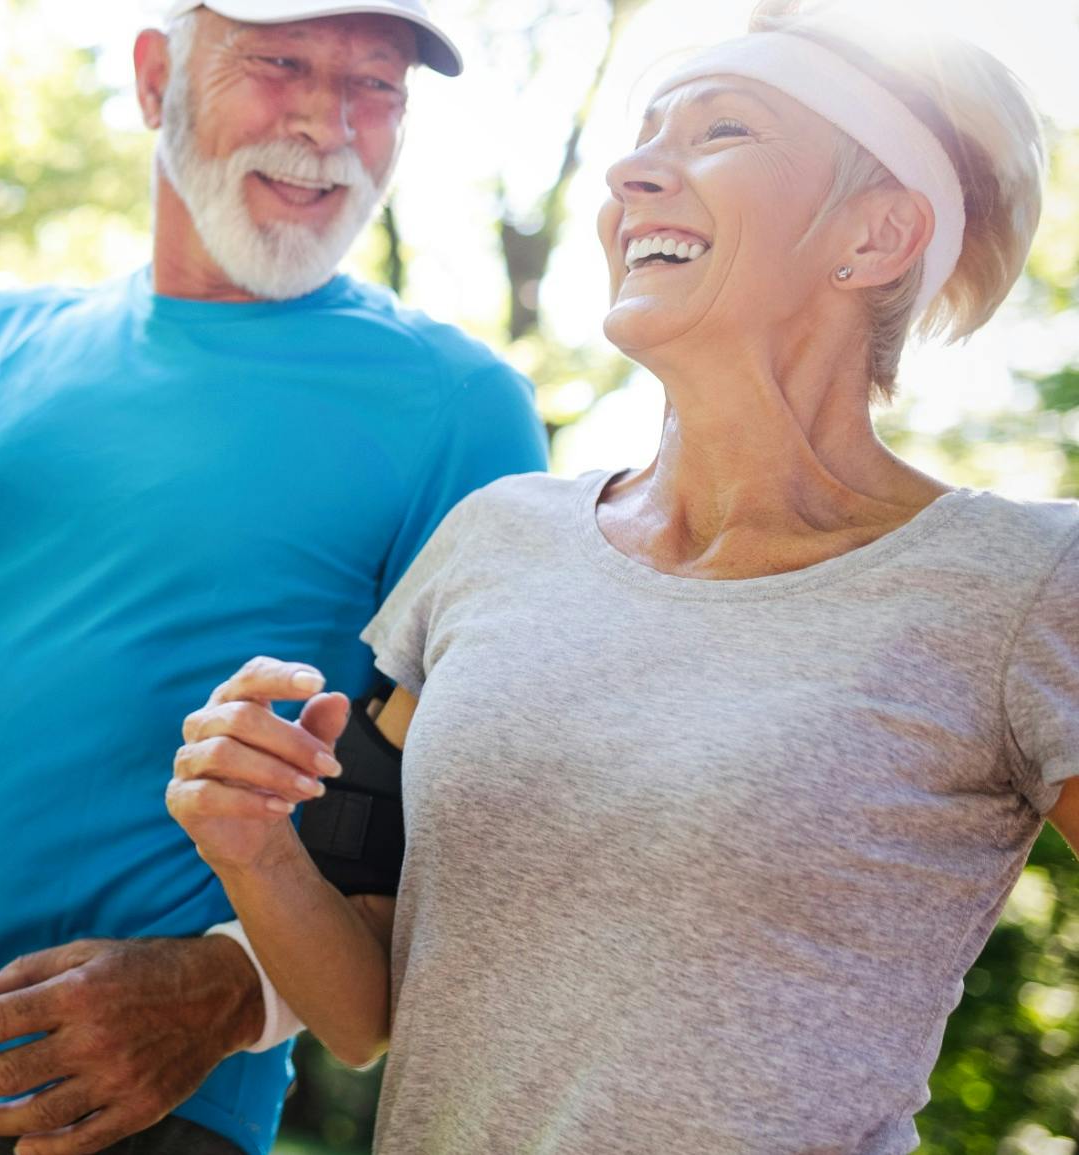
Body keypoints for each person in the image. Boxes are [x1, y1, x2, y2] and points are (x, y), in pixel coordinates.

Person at [169, 1, 1075, 1149]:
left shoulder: (1022, 583)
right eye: (644, 135)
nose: (633, 171)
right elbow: (363, 1013)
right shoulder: (492, 542)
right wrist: (250, 844)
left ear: (877, 233)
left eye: (722, 130)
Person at [0, 1, 549, 1151]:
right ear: (153, 81)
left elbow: (471, 837)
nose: (328, 123)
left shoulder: (457, 407)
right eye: (280, 62)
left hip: (127, 1101)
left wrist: (231, 993)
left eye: (375, 86)